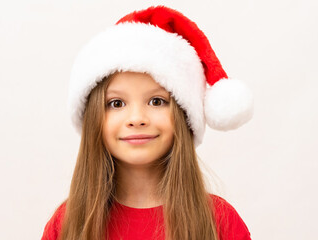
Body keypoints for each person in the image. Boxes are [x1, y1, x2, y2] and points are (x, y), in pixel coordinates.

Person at [41, 5, 253, 240]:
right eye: (117, 103)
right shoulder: (67, 223)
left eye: (156, 101)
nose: (137, 119)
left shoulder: (220, 221)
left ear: (183, 116)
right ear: (94, 119)